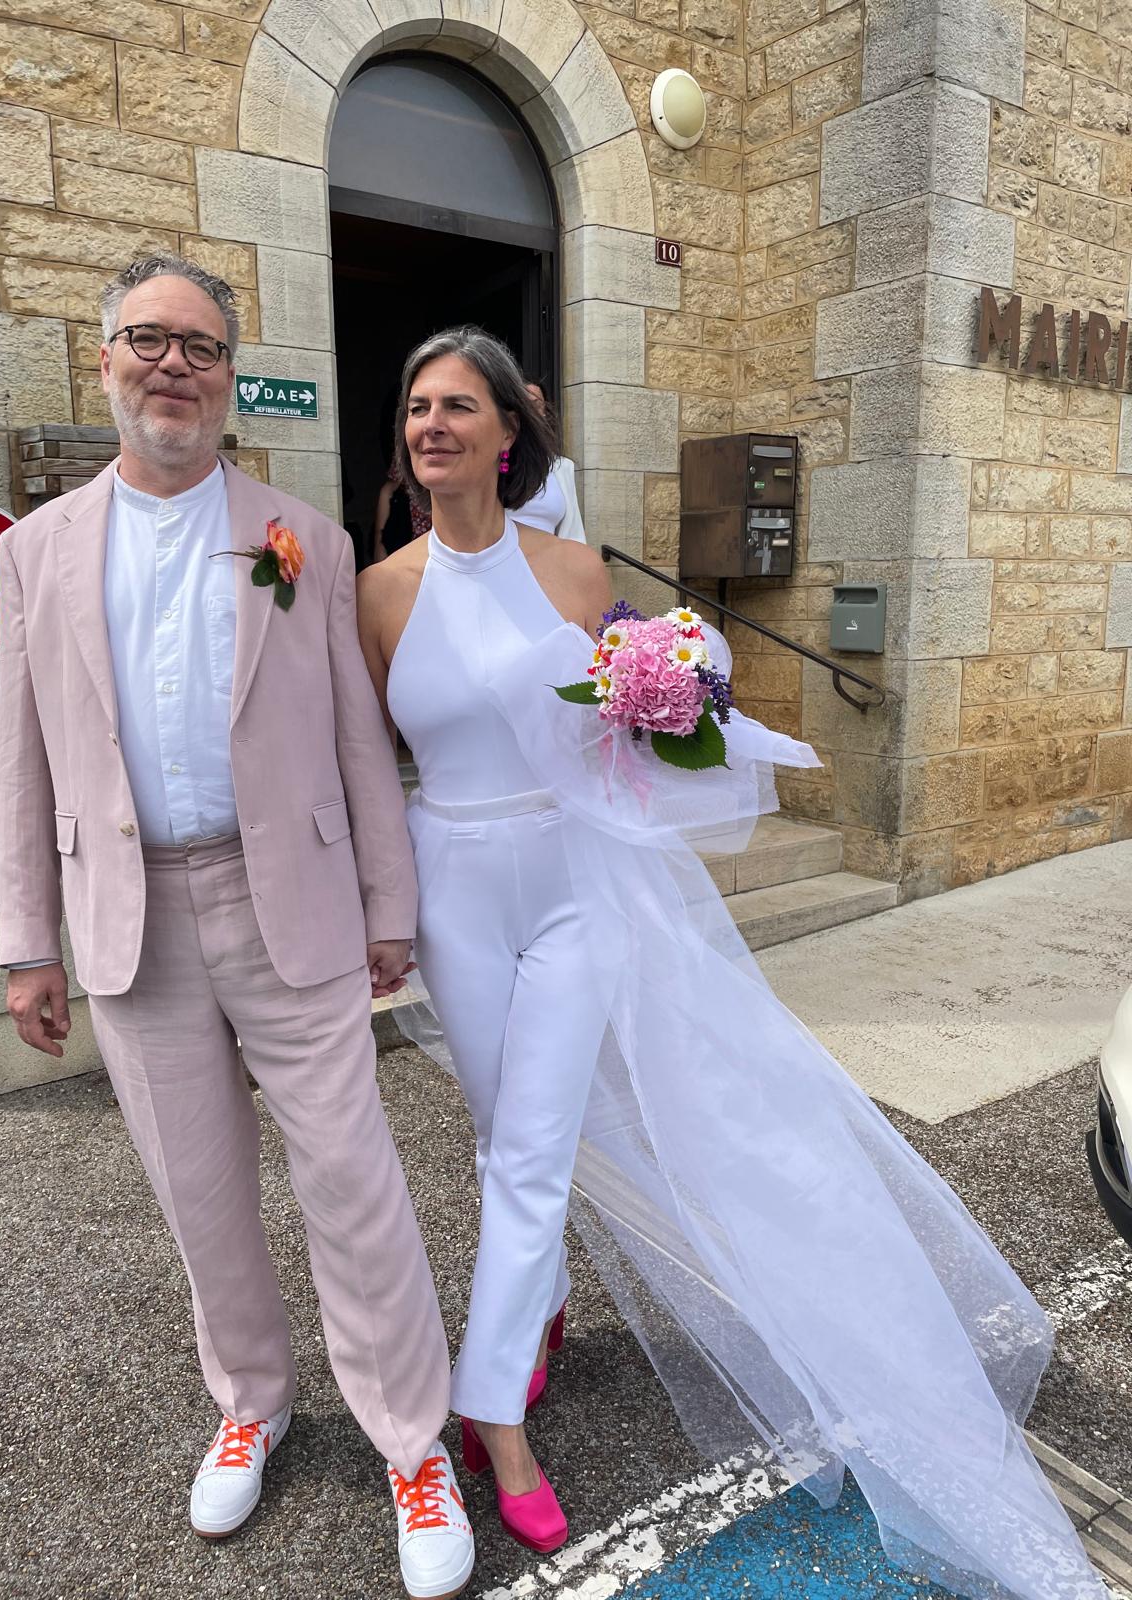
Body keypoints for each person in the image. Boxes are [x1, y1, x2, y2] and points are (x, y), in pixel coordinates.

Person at [356, 324, 1108, 1598]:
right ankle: (538, 1305)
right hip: (452, 890)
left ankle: (494, 1418)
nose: (433, 425)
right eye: (418, 407)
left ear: (506, 432)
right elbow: (375, 766)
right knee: (502, 1135)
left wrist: (671, 700)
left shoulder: (577, 571)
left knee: (533, 1148)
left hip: (571, 887)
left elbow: (624, 741)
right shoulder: (379, 590)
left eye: (458, 406)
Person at [0, 255, 474, 1600]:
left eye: (202, 348)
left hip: (292, 909)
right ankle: (251, 1400)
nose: (176, 367)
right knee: (200, 1196)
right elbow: (22, 760)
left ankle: (412, 1442)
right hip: (130, 916)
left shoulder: (295, 537)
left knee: (355, 1185)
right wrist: (28, 940)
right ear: (104, 358)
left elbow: (356, 738)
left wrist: (389, 902)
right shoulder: (35, 550)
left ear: (229, 378)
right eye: (150, 340)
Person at [512, 381, 585, 542]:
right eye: (522, 405)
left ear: (545, 412)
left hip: (551, 556)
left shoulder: (561, 467)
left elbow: (574, 533)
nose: (529, 412)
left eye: (535, 405)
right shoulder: (491, 463)